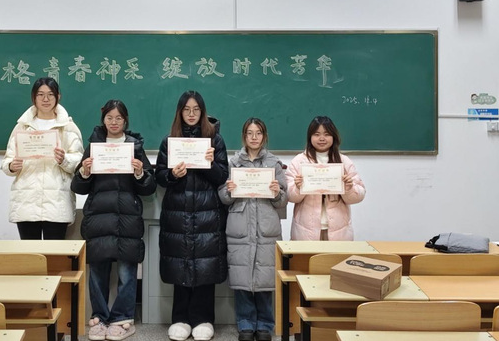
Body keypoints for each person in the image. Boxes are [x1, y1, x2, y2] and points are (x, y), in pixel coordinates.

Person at [71, 100, 156, 341]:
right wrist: (84, 172)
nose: (114, 122)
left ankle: (123, 319)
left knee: (128, 271)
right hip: (99, 217)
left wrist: (139, 173)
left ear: (125, 120)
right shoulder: (94, 146)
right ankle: (99, 318)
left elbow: (149, 187)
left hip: (128, 217)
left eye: (118, 118)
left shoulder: (134, 147)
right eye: (110, 118)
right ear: (104, 120)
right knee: (98, 270)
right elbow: (78, 186)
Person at [155, 90, 229, 341]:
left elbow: (222, 177)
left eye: (196, 109)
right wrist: (172, 174)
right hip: (178, 212)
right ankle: (180, 319)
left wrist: (209, 164)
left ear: (202, 112)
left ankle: (203, 319)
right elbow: (160, 177)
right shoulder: (169, 141)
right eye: (186, 109)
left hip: (207, 213)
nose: (191, 114)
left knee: (205, 265)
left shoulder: (215, 141)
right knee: (181, 265)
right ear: (180, 112)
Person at [218, 117, 287, 341]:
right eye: (250, 133)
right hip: (240, 226)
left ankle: (265, 325)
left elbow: (283, 199)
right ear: (244, 136)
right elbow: (223, 196)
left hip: (266, 227)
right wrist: (228, 190)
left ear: (264, 136)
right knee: (242, 277)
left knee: (265, 277)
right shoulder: (233, 163)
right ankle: (245, 324)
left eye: (258, 133)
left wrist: (277, 192)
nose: (254, 137)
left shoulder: (274, 164)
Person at [1, 77, 83, 240]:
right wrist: (11, 166)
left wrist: (64, 159)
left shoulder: (68, 127)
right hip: (26, 200)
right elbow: (7, 160)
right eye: (40, 94)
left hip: (57, 201)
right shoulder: (22, 126)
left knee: (55, 253)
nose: (46, 99)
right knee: (30, 253)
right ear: (34, 97)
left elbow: (78, 161)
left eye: (50, 94)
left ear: (58, 97)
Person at [286, 115, 365, 241]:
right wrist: (297, 187)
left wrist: (349, 188)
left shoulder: (344, 161)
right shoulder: (299, 161)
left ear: (333, 136)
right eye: (316, 134)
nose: (322, 138)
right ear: (310, 137)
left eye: (327, 134)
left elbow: (359, 196)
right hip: (306, 231)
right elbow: (289, 196)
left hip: (339, 231)